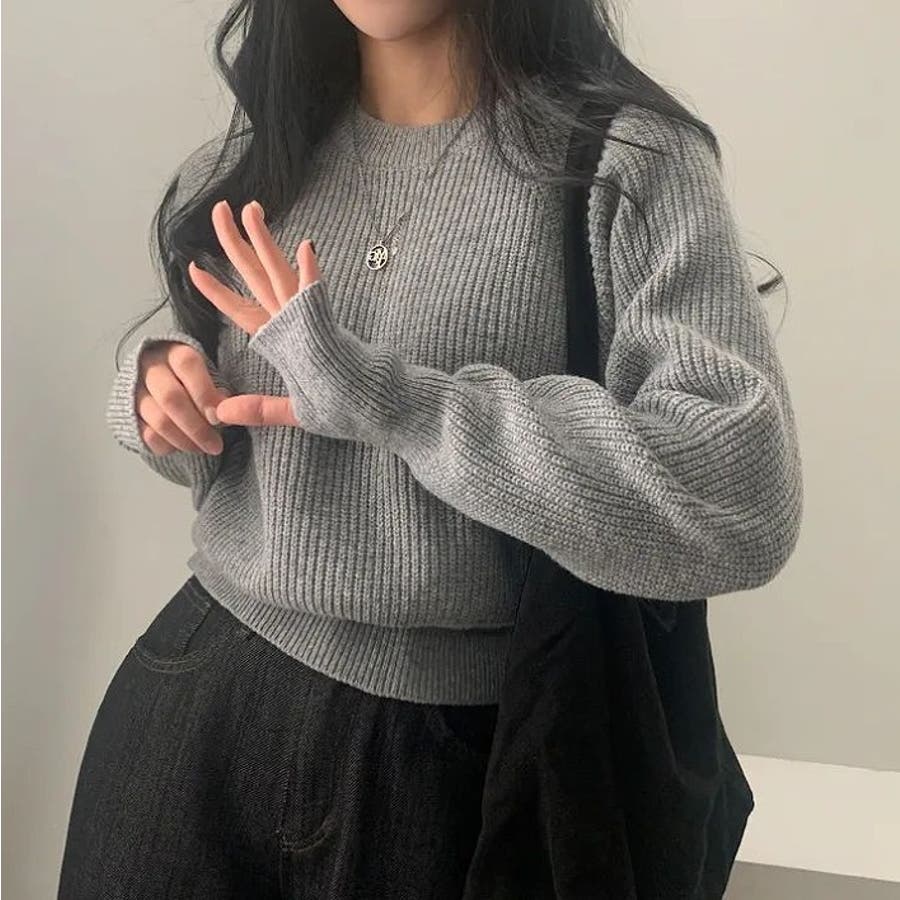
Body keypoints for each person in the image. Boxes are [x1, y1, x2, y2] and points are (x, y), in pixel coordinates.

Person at [57, 0, 804, 897]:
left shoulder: (628, 163)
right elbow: (209, 447)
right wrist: (155, 390)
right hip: (194, 713)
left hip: (451, 770)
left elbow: (740, 497)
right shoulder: (255, 159)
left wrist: (399, 403)